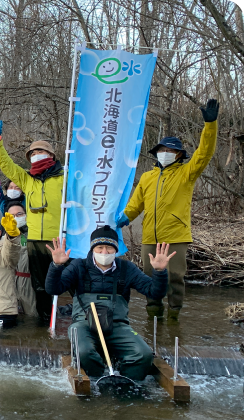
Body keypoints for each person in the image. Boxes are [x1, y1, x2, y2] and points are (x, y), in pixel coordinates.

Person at [116, 99, 219, 321]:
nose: (165, 153)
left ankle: (174, 319)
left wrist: (210, 125)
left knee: (174, 278)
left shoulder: (186, 173)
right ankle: (154, 315)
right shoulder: (147, 176)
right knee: (148, 276)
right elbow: (136, 204)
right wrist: (125, 217)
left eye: (170, 150)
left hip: (175, 236)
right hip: (150, 238)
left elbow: (204, 153)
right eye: (162, 149)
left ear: (179, 154)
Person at [45, 226, 174, 381]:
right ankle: (96, 382)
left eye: (109, 248)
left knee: (144, 354)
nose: (104, 253)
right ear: (93, 249)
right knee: (84, 352)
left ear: (116, 250)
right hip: (84, 324)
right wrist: (56, 266)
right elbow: (53, 289)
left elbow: (155, 293)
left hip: (118, 325)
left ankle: (128, 382)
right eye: (100, 248)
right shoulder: (79, 266)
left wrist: (159, 273)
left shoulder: (127, 268)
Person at [0, 119, 63, 319]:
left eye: (41, 153)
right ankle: (45, 321)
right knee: (40, 286)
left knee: (70, 282)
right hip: (34, 242)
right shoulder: (26, 179)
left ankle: (83, 320)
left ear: (51, 156)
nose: (36, 156)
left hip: (60, 240)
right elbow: (7, 165)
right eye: (33, 154)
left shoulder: (64, 178)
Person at [5, 201, 37, 317]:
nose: (16, 218)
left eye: (19, 214)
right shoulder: (5, 237)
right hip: (11, 282)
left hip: (30, 282)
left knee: (32, 314)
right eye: (12, 216)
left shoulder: (35, 234)